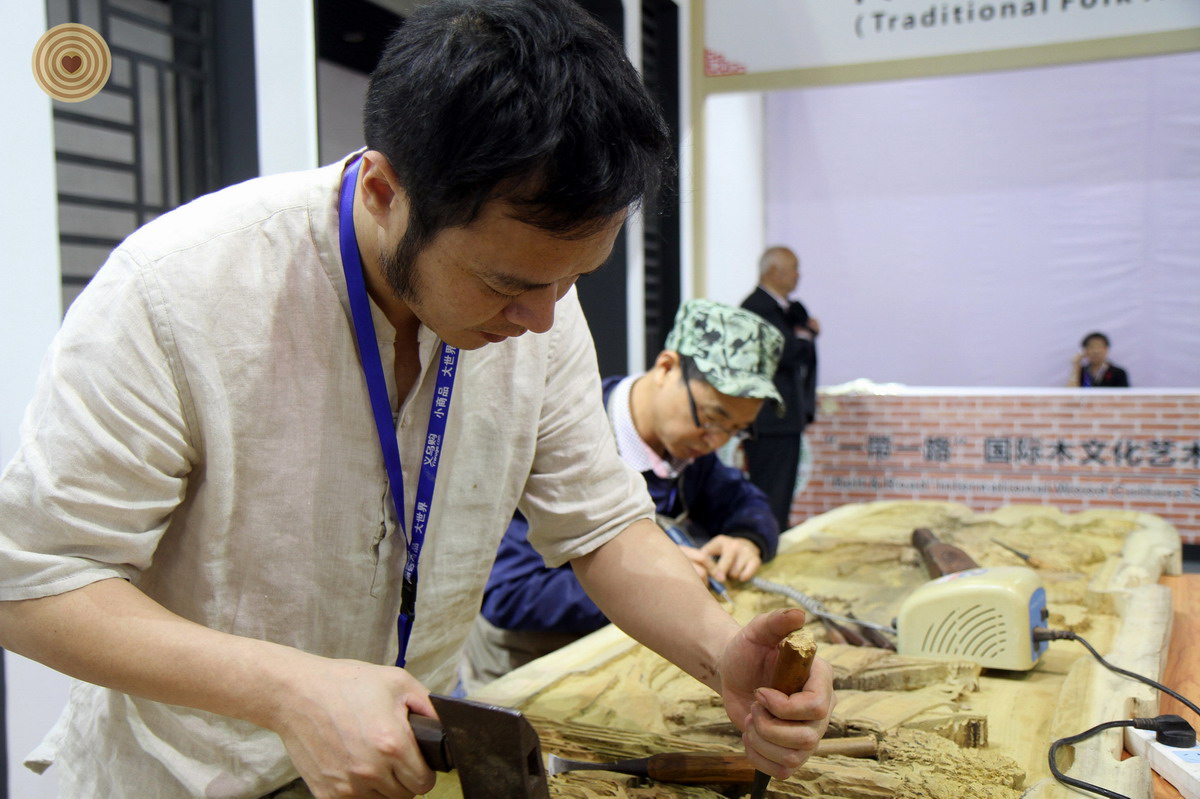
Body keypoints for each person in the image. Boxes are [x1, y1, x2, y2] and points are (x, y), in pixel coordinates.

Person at [0, 3, 833, 799]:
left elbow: (602, 522)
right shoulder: (178, 292)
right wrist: (287, 690)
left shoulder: (541, 308)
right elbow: (34, 582)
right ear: (383, 191)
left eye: (572, 280)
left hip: (409, 763)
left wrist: (719, 648)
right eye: (507, 283)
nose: (541, 319)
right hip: (185, 773)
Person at [461, 299, 785, 693]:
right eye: (712, 418)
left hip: (615, 661)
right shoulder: (563, 436)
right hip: (528, 665)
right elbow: (510, 593)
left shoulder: (688, 449)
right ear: (666, 368)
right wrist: (655, 583)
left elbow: (746, 502)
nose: (715, 440)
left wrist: (747, 538)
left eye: (735, 430)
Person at [740, 245, 819, 532]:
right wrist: (807, 335)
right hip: (770, 419)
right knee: (770, 491)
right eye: (793, 268)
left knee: (782, 493)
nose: (798, 275)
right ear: (772, 271)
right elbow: (783, 352)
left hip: (784, 419)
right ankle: (763, 543)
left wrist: (803, 334)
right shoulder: (757, 307)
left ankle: (773, 539)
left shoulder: (786, 310)